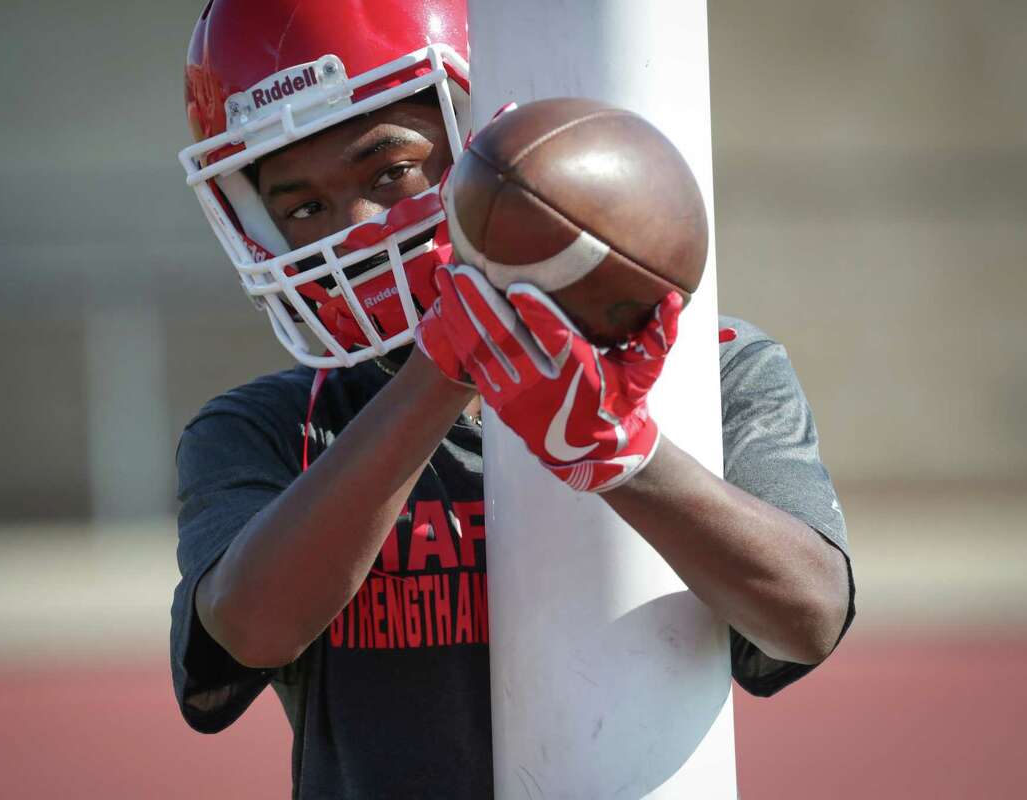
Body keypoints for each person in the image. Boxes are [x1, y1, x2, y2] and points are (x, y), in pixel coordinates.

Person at [170, 1, 855, 797]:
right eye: (303, 208)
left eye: (390, 173)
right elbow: (254, 627)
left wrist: (624, 455)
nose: (355, 228)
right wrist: (447, 369)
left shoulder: (710, 368)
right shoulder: (268, 425)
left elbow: (806, 616)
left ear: (483, 138)